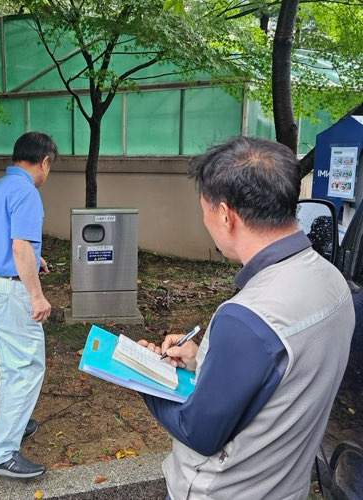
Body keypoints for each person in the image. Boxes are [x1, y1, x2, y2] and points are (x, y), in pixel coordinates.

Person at [138, 137, 355, 500]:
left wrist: (141, 378)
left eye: (204, 210)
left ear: (225, 215)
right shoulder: (333, 282)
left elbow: (199, 433)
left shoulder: (248, 317)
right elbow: (280, 379)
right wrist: (200, 361)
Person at [0, 131, 57, 479]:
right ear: (44, 162)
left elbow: (4, 238)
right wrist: (37, 296)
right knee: (26, 366)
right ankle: (1, 454)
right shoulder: (27, 191)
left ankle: (14, 423)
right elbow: (20, 246)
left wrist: (34, 260)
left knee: (12, 365)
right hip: (10, 291)